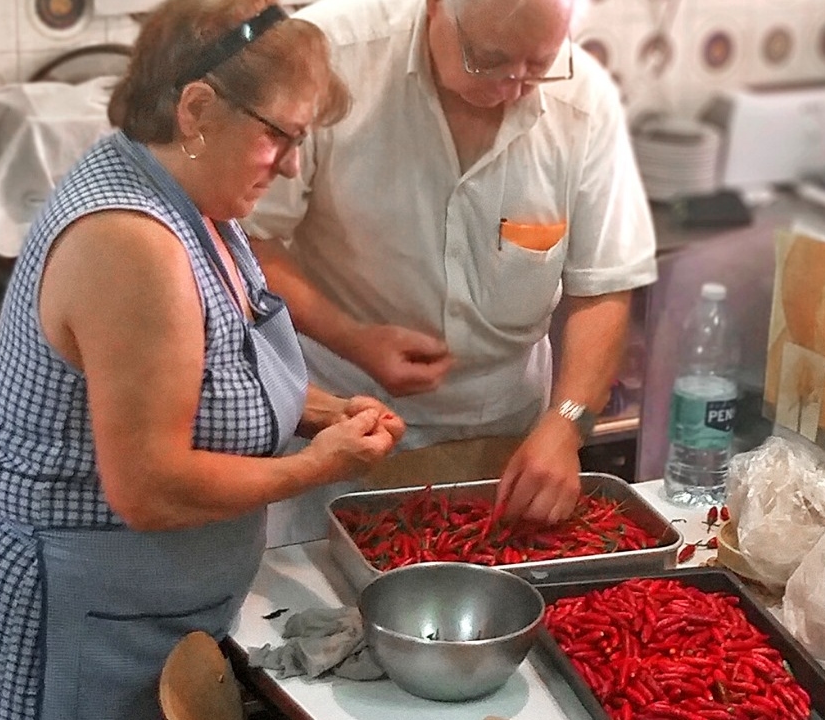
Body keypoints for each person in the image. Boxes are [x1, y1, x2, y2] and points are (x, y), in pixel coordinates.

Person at [0, 2, 403, 719]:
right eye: (281, 135)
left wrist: (325, 412)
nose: (293, 163)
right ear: (197, 108)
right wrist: (321, 466)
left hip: (137, 614)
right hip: (67, 622)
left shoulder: (196, 198)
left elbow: (203, 374)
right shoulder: (131, 242)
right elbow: (149, 488)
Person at [247, 0, 656, 535]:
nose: (513, 85)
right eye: (488, 61)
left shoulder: (585, 102)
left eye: (538, 65)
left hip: (504, 437)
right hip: (339, 422)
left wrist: (567, 424)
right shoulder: (323, 55)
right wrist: (355, 338)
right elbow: (249, 240)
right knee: (318, 606)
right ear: (435, 7)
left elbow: (603, 287)